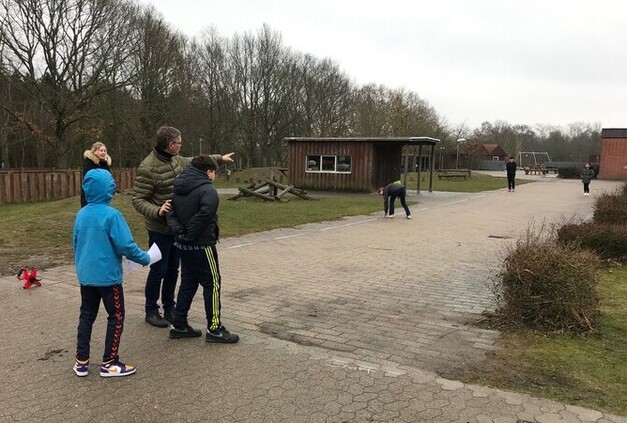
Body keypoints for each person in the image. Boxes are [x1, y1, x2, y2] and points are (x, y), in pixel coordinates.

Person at [132, 126, 234, 328]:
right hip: (160, 229)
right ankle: (151, 310)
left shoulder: (177, 160)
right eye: (179, 142)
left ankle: (170, 308)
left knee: (173, 270)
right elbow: (138, 199)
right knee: (158, 270)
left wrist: (219, 158)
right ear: (171, 145)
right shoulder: (147, 168)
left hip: (178, 228)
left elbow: (194, 160)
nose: (181, 145)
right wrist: (157, 210)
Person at [73, 169, 151, 378]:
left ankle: (81, 361)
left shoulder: (81, 214)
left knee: (86, 315)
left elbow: (76, 243)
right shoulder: (112, 216)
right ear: (110, 189)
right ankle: (109, 361)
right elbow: (126, 245)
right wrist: (146, 258)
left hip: (86, 276)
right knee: (116, 316)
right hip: (108, 278)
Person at [166, 155, 239, 343]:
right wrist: (189, 234)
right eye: (214, 172)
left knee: (188, 283)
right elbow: (205, 215)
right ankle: (214, 328)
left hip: (182, 244)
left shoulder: (178, 186)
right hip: (201, 244)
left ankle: (179, 324)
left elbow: (170, 212)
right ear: (209, 172)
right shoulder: (208, 190)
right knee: (213, 283)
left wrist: (179, 232)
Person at [81, 142, 112, 207]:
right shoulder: (89, 163)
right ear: (94, 151)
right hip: (91, 194)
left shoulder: (105, 164)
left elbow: (108, 177)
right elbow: (89, 179)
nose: (103, 152)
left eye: (105, 151)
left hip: (103, 194)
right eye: (101, 150)